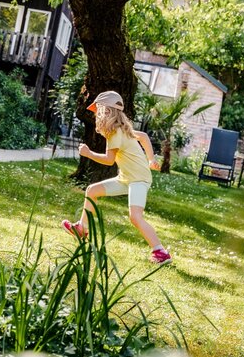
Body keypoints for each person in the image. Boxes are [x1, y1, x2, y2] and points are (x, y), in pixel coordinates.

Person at [61, 91, 171, 265]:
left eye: (98, 111)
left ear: (106, 111)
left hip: (139, 179)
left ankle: (160, 252)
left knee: (135, 216)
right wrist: (150, 159)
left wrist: (88, 153)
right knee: (92, 190)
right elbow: (143, 136)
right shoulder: (121, 129)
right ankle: (82, 228)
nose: (96, 115)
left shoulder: (115, 133)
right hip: (127, 178)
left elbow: (109, 160)